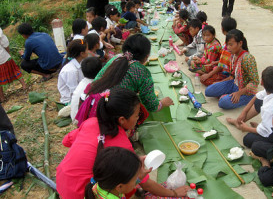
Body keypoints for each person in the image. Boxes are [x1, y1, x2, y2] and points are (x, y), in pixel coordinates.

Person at [57, 88, 188, 198]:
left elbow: (65, 141)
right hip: (81, 193)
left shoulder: (91, 122)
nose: (138, 118)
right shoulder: (121, 144)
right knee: (127, 182)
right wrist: (174, 192)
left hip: (62, 181)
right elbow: (146, 184)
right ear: (122, 120)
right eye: (137, 115)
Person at [93, 34, 173, 113]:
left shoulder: (116, 58)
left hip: (95, 104)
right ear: (146, 56)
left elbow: (97, 80)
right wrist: (162, 103)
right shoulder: (142, 72)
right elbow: (151, 105)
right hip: (114, 112)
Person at [227, 66, 273, 148]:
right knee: (259, 101)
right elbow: (257, 96)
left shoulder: (268, 108)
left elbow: (267, 132)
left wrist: (247, 129)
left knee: (247, 139)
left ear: (261, 82)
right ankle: (239, 122)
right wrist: (244, 112)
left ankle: (260, 129)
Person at [205, 29, 259, 109]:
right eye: (227, 45)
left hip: (246, 91)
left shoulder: (248, 58)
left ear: (240, 43)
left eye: (231, 45)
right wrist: (220, 82)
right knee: (208, 91)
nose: (228, 47)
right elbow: (232, 76)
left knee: (222, 102)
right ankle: (230, 94)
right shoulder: (233, 55)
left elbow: (255, 82)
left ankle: (250, 99)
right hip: (233, 84)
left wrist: (239, 93)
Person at [200, 16, 236, 86]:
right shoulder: (238, 37)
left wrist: (208, 75)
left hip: (230, 74)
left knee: (206, 80)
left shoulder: (227, 45)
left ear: (222, 29)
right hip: (230, 70)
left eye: (207, 35)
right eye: (204, 35)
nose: (205, 38)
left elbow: (222, 65)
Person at [71, 57, 102, 123]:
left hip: (75, 117)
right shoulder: (96, 86)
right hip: (82, 121)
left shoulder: (82, 83)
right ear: (101, 70)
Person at [0, 27, 26, 103]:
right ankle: (24, 85)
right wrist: (8, 53)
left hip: (2, 57)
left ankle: (2, 97)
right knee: (14, 70)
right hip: (3, 56)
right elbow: (5, 43)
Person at [58, 40, 88, 104]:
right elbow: (75, 92)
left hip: (79, 96)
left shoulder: (79, 63)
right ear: (82, 53)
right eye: (87, 50)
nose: (88, 52)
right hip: (70, 102)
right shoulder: (71, 71)